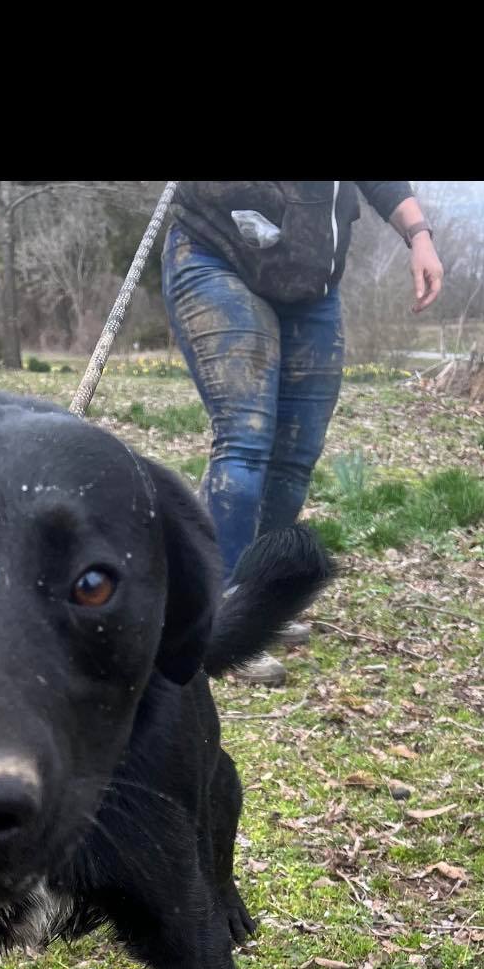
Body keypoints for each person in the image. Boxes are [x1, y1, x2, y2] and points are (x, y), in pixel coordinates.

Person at [161, 182, 444, 683]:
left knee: (295, 456)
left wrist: (418, 236)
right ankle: (214, 616)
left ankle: (256, 599)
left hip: (311, 284)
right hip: (216, 253)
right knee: (246, 438)